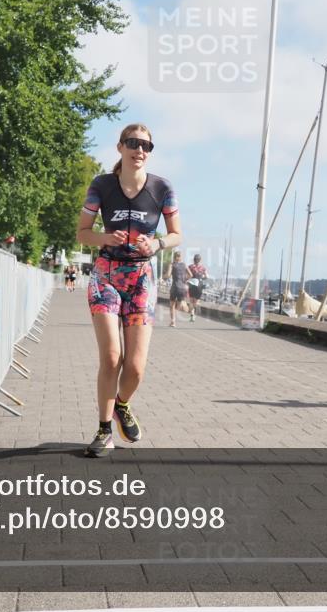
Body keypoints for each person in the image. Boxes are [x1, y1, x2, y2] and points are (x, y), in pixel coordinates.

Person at [76, 123, 182, 457]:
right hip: (106, 275)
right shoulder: (102, 185)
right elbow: (82, 233)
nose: (140, 151)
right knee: (111, 356)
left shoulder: (162, 188)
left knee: (135, 367)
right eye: (133, 144)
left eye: (147, 146)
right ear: (120, 147)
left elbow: (177, 233)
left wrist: (158, 243)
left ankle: (122, 404)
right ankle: (104, 430)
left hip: (141, 279)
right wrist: (104, 237)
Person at [169, 252, 190, 327]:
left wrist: (165, 276)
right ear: (181, 257)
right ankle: (188, 308)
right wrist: (184, 279)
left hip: (174, 287)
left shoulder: (172, 264)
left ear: (174, 257)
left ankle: (173, 322)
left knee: (172, 305)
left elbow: (168, 275)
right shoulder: (184, 265)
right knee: (180, 305)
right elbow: (191, 275)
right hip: (182, 287)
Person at [187, 253, 208, 322]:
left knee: (191, 300)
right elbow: (207, 277)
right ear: (200, 260)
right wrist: (202, 277)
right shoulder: (203, 268)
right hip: (199, 285)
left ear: (194, 260)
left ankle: (192, 315)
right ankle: (195, 310)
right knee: (196, 301)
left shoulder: (190, 267)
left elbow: (187, 275)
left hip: (192, 285)